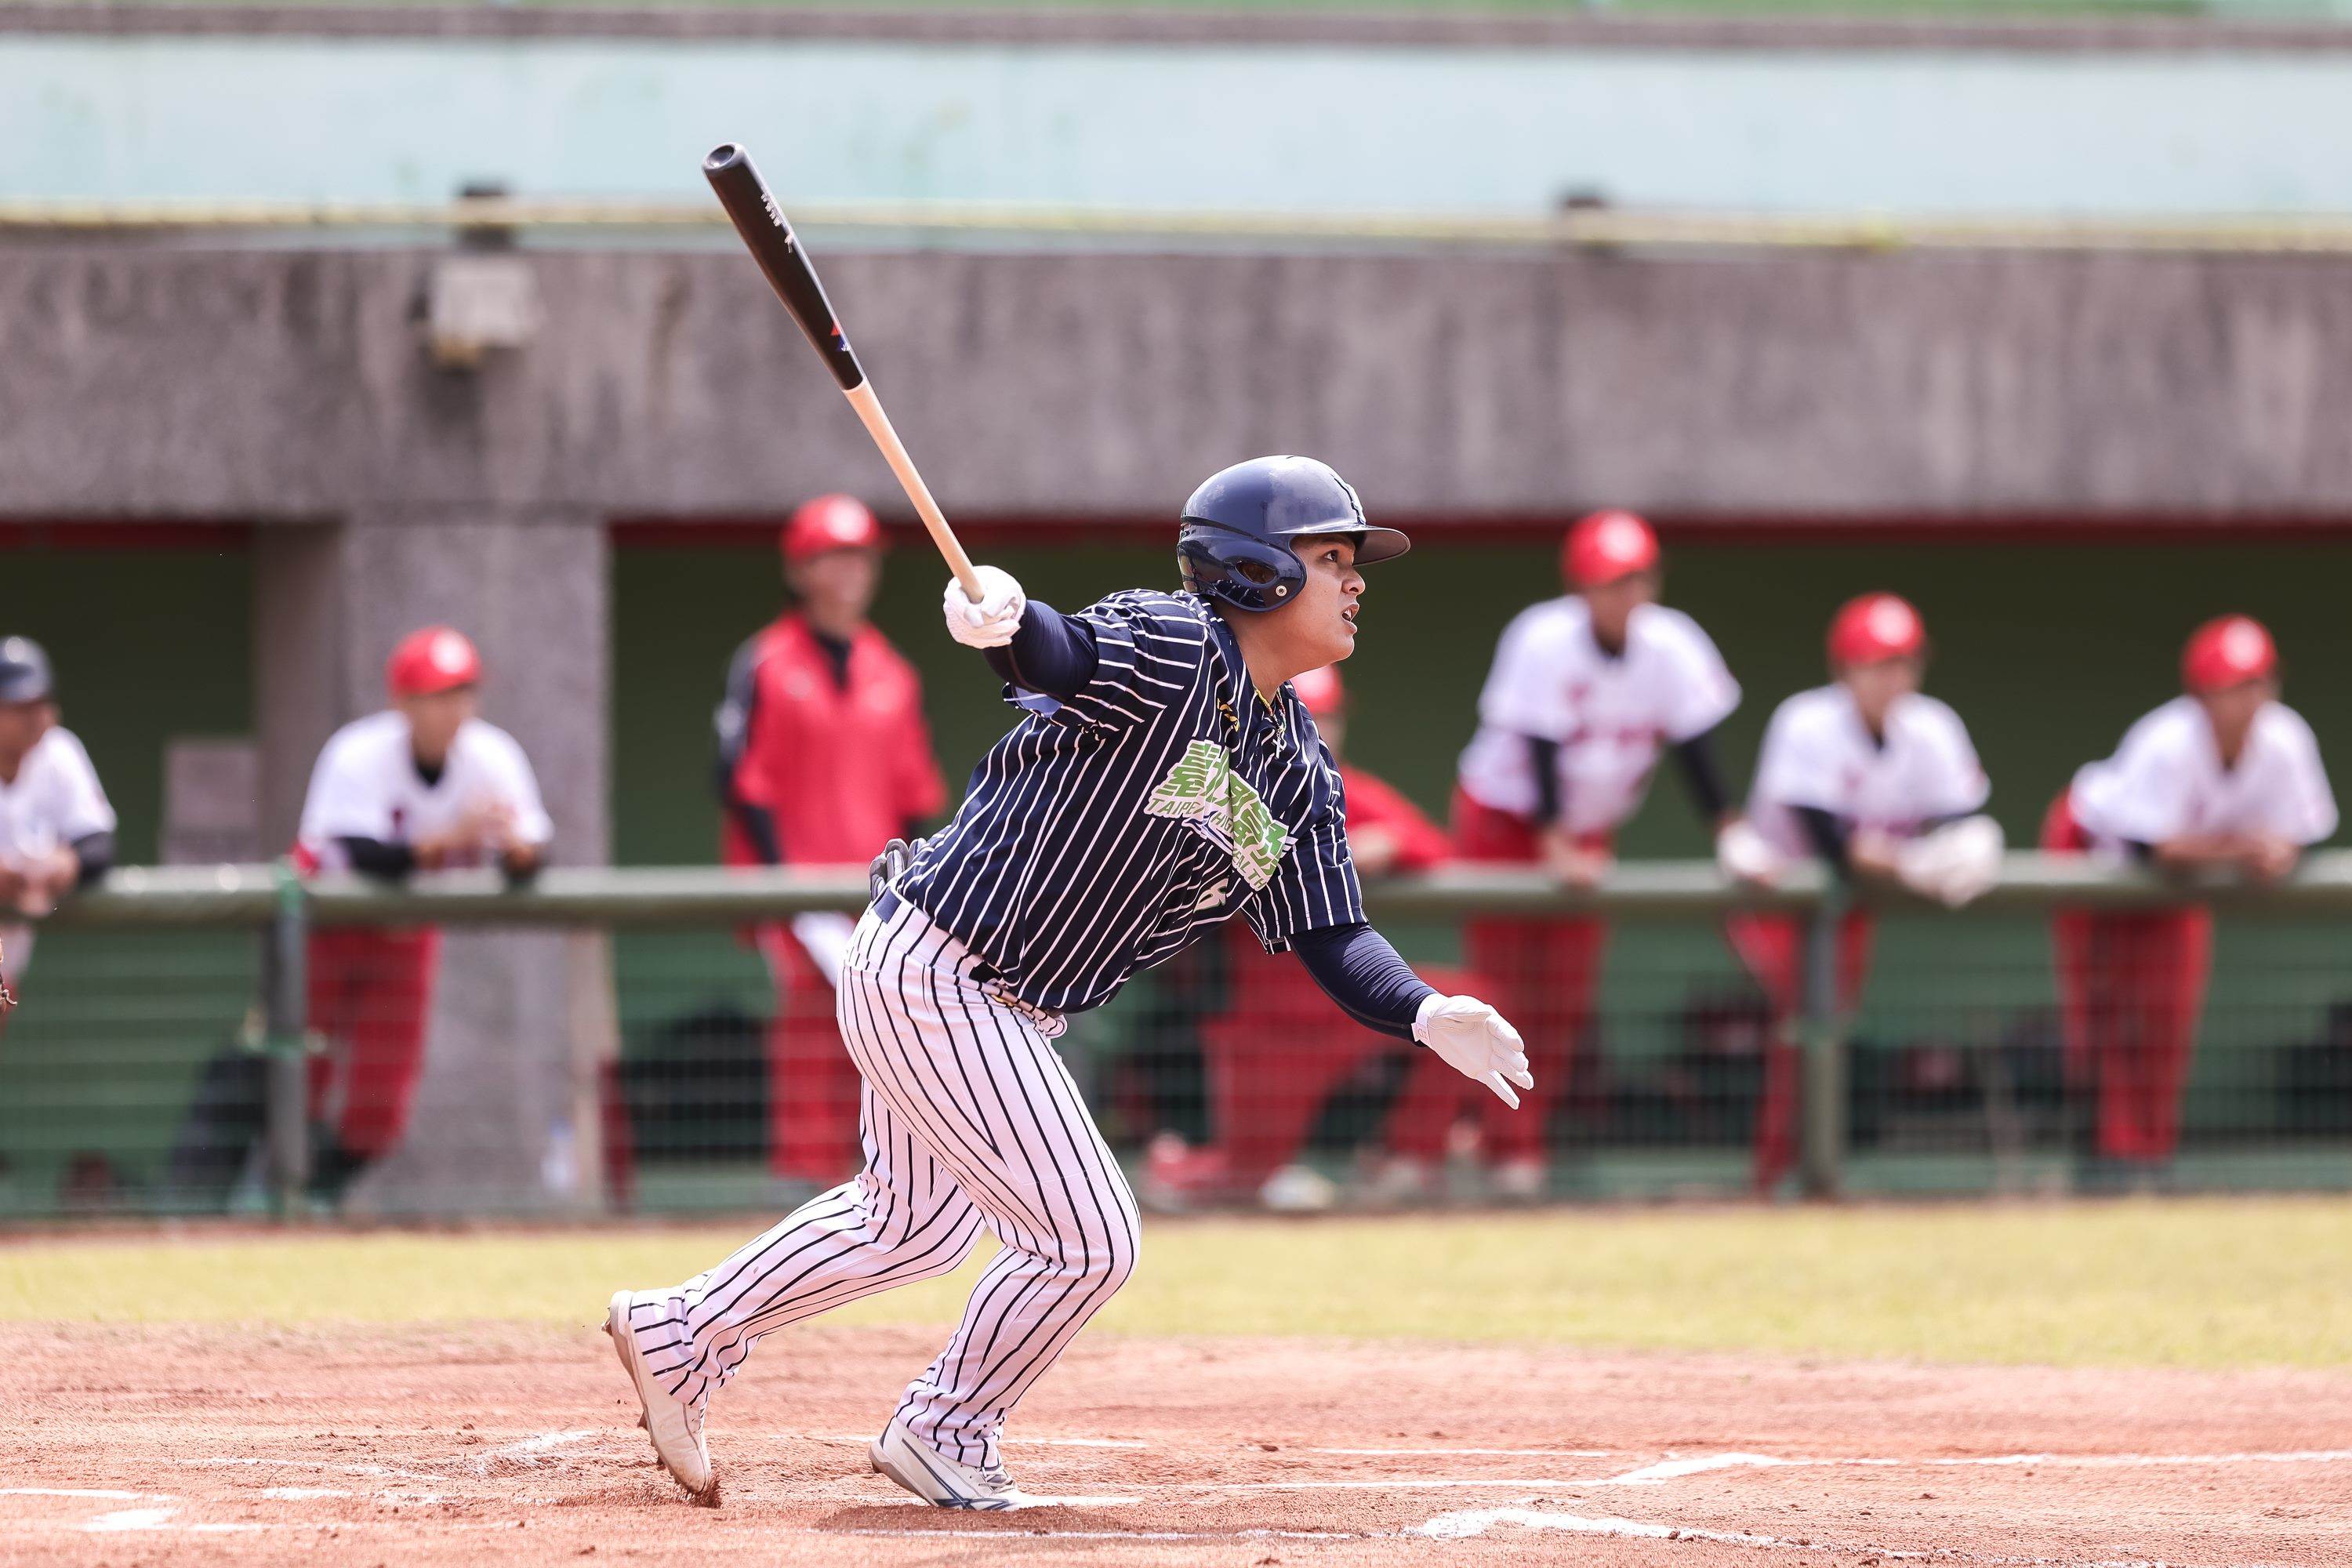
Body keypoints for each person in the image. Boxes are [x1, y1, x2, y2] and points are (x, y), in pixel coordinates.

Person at [604, 456, 1534, 1510]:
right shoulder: (1179, 646)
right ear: (1255, 571)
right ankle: (944, 1429)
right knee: (1089, 1239)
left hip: (985, 994)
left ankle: (679, 1332)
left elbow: (1329, 932)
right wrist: (1008, 616)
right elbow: (1066, 654)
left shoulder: (1291, 764)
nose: (1356, 580)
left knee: (909, 1226)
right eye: (1330, 559)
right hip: (943, 971)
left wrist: (1422, 1009)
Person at [1425, 509, 1751, 1201]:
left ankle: (1509, 1145)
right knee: (1495, 992)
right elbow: (1539, 747)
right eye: (1610, 581)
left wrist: (1730, 829)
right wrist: (1553, 845)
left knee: (1564, 1002)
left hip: (1587, 831)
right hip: (1506, 824)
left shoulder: (1673, 645)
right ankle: (1468, 1145)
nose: (1625, 594)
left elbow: (1695, 745)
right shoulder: (1544, 636)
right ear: (1582, 585)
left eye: (1636, 578)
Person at [1144, 662, 1455, 1212]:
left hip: (1348, 1008)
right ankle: (1170, 1168)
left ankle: (1405, 1157)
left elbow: (1436, 849)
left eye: (1327, 717)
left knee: (1468, 1004)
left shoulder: (1347, 792)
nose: (1316, 730)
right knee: (1244, 1178)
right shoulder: (1226, 791)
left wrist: (1389, 841)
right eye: (1300, 716)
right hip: (1266, 1026)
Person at [2045, 615, 2334, 1188]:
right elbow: (2156, 849)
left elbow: (2305, 827)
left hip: (2183, 884)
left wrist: (2280, 852)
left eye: (2261, 682)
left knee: (2167, 1014)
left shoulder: (2285, 737)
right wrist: (2243, 850)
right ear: (2204, 692)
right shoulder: (2167, 740)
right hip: (2096, 856)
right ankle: (2100, 1164)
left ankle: (2150, 1159)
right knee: (2099, 1010)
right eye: (2236, 685)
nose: (2252, 698)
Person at [1727, 592, 2002, 1194]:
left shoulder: (1931, 727)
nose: (1894, 676)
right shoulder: (1808, 721)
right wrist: (1910, 864)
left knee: (1826, 1033)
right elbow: (1831, 844)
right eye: (1879, 662)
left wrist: (1954, 850)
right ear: (1845, 668)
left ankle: (1800, 1171)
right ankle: (1775, 1176)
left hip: (1850, 910)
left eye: (1905, 661)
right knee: (1806, 1028)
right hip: (1781, 902)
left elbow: (1963, 816)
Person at [715, 495, 948, 1192]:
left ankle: (881, 1202)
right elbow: (739, 780)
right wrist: (785, 890)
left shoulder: (893, 672)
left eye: (861, 557)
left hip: (874, 896)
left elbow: (914, 798)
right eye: (834, 557)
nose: (850, 572)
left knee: (883, 1045)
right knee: (808, 1043)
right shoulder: (764, 661)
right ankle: (804, 1198)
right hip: (793, 894)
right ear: (801, 569)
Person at [295, 626, 552, 1199]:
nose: (451, 709)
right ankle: (260, 1193)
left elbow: (534, 852)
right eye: (435, 695)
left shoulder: (491, 754)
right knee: (293, 1073)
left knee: (381, 1100)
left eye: (462, 693)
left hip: (405, 935)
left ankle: (318, 1198)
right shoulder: (359, 752)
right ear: (401, 701)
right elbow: (364, 856)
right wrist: (449, 838)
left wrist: (516, 850)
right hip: (327, 927)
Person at [0, 637, 117, 1008]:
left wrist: (64, 864)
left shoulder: (57, 751)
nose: (37, 715)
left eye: (41, 702)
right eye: (21, 705)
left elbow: (98, 843)